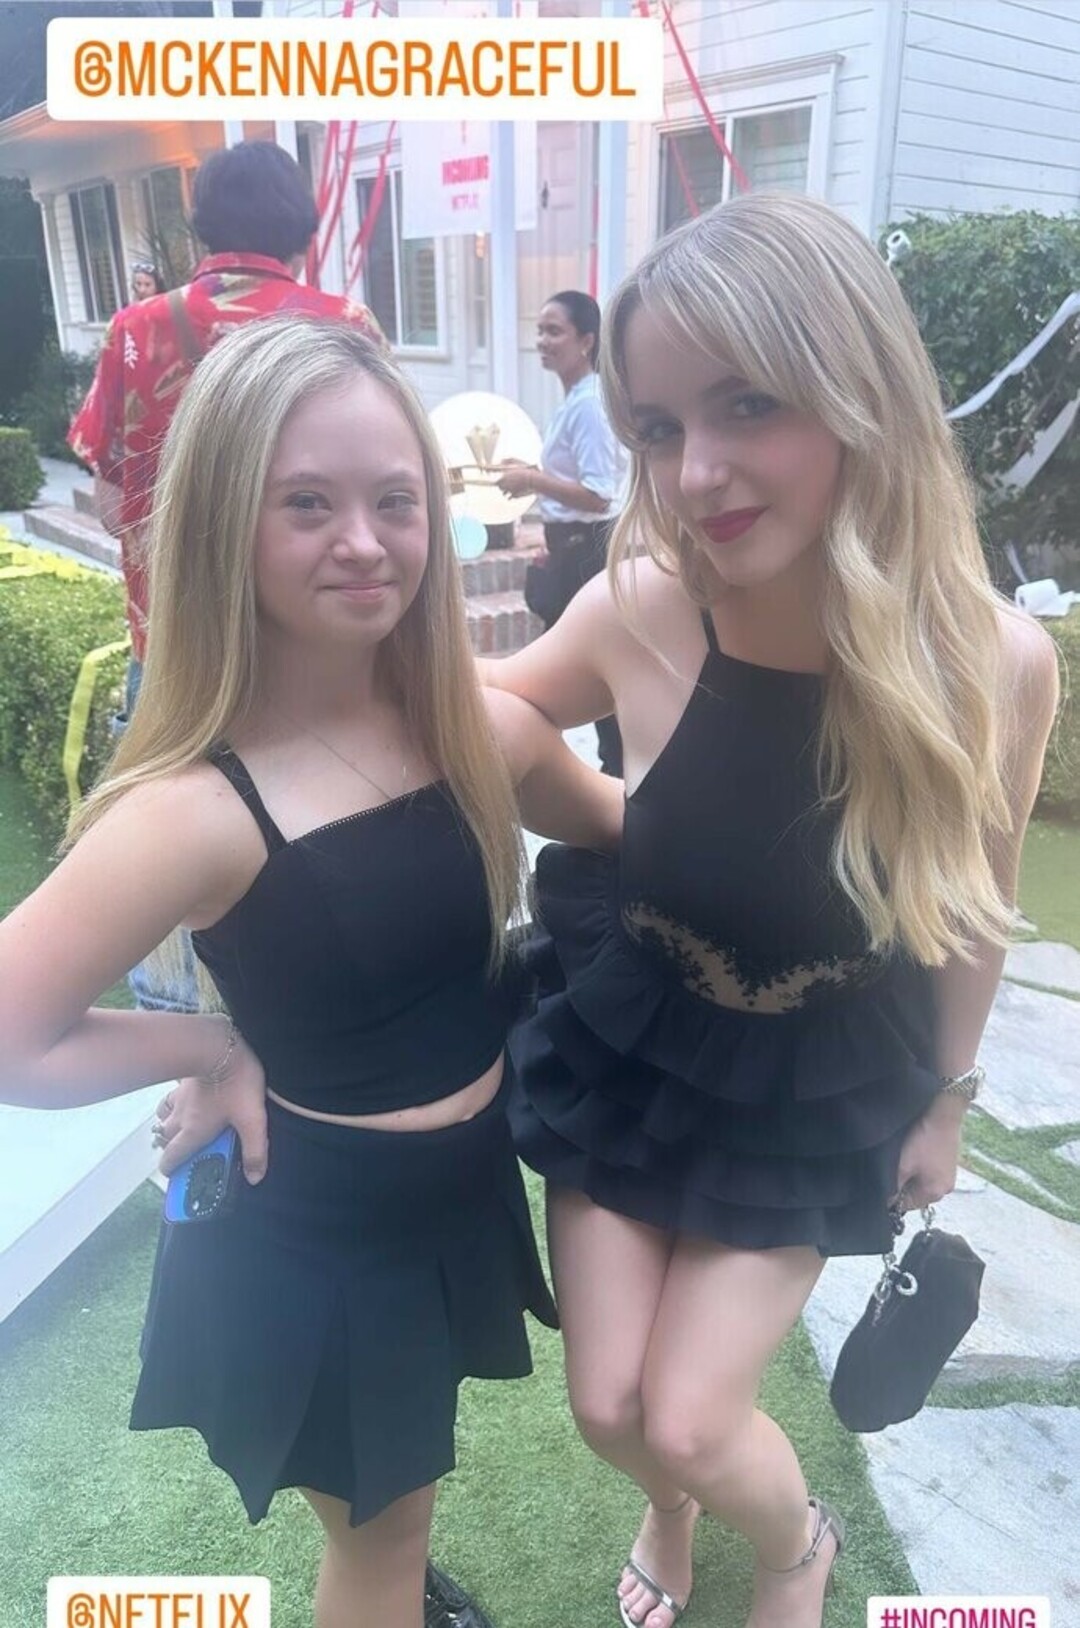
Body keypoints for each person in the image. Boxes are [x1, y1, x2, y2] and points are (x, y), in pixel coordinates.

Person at [484, 193, 1059, 1628]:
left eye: (749, 403)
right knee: (611, 1407)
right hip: (634, 1034)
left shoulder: (993, 664)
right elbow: (493, 710)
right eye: (658, 426)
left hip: (815, 1072)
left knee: (688, 1414)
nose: (697, 471)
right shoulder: (639, 605)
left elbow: (973, 904)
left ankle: (796, 1546)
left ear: (860, 394)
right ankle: (668, 1512)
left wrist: (946, 1102)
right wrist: (604, 806)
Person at [0, 316, 623, 1628]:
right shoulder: (190, 809)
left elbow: (632, 832)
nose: (364, 540)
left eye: (395, 499)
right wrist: (211, 1048)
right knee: (377, 1548)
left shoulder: (474, 725)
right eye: (307, 504)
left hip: (457, 1195)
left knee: (397, 1514)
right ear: (227, 520)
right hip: (319, 1236)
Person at [69, 140, 383, 1015]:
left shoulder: (137, 331)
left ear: (202, 221)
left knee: (169, 887)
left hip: (177, 655)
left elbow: (111, 499)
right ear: (301, 225)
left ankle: (199, 1064)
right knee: (326, 876)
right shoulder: (345, 327)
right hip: (321, 663)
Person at [496, 289, 626, 775]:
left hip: (587, 552)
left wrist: (532, 480)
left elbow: (599, 494)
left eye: (554, 331)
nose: (542, 341)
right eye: (540, 331)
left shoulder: (590, 404)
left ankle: (613, 778)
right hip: (571, 548)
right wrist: (531, 472)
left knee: (592, 674)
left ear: (586, 341)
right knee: (580, 672)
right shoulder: (576, 399)